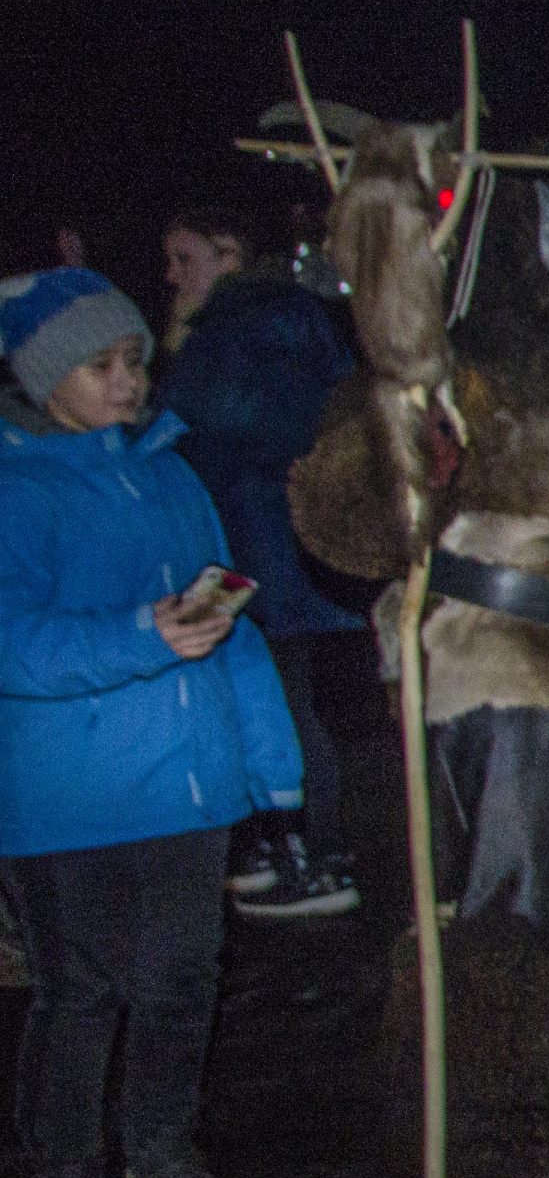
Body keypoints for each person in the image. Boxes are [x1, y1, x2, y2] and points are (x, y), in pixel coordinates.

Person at [3, 269, 304, 1178]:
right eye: (100, 366)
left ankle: (160, 1147)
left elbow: (229, 627)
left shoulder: (173, 475)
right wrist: (141, 633)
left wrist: (271, 766)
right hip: (70, 801)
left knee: (181, 976)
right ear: (42, 377)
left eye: (134, 360)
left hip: (187, 787)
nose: (128, 382)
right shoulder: (15, 489)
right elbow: (12, 640)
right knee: (81, 993)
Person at [154, 209, 367, 919]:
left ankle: (316, 859)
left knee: (280, 706)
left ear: (229, 252)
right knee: (274, 700)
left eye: (185, 258)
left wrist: (179, 353)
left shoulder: (239, 322)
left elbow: (191, 419)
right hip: (278, 549)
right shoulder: (291, 315)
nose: (171, 276)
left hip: (258, 552)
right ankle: (282, 849)